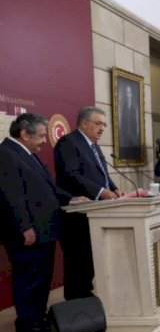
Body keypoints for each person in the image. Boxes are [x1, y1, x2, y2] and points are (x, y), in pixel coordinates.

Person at [0, 114, 82, 332]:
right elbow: (11, 196)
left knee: (40, 278)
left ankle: (38, 317)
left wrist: (73, 199)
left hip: (44, 229)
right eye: (41, 136)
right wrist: (23, 227)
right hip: (28, 232)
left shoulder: (28, 154)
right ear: (24, 134)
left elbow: (49, 188)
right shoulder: (6, 154)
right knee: (29, 278)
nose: (45, 141)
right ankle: (28, 324)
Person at [54, 106, 125, 300]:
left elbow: (102, 174)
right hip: (77, 213)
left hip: (94, 212)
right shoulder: (68, 142)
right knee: (78, 258)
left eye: (104, 124)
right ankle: (77, 300)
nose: (102, 128)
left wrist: (114, 188)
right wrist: (101, 192)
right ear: (85, 123)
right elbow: (71, 174)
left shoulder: (94, 145)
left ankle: (85, 294)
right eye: (98, 123)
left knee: (89, 258)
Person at [117, 82, 140, 160]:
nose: (128, 95)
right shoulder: (124, 107)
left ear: (131, 94)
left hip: (133, 136)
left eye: (129, 93)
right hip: (125, 136)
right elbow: (122, 122)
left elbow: (136, 123)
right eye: (126, 93)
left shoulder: (134, 106)